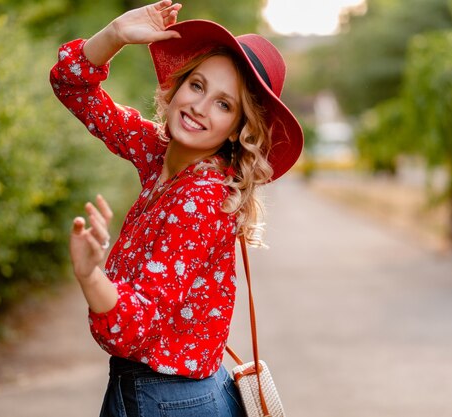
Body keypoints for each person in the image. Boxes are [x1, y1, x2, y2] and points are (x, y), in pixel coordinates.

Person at [50, 1, 303, 416]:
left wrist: (89, 274)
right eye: (198, 86)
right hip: (177, 391)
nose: (200, 107)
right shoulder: (159, 153)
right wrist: (114, 34)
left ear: (239, 129)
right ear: (178, 86)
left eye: (224, 104)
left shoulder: (200, 199)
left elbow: (132, 331)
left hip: (165, 400)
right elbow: (71, 86)